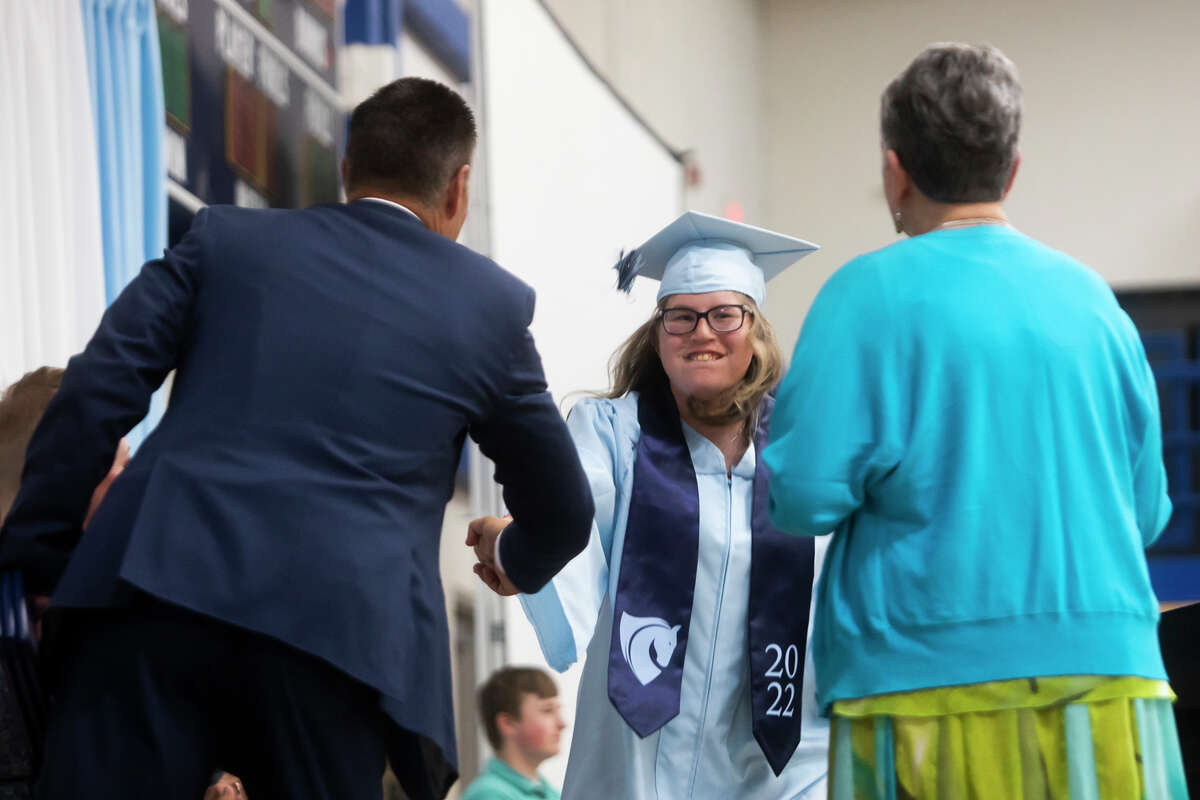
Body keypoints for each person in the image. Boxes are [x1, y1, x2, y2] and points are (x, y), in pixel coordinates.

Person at [0, 77, 594, 800]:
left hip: (154, 591)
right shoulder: (489, 309)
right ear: (460, 186)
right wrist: (512, 554)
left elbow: (97, 388)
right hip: (341, 641)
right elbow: (565, 510)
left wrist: (39, 560)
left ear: (346, 171)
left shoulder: (225, 239)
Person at [764, 43, 1188, 797]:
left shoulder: (863, 297)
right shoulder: (1095, 304)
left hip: (922, 679)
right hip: (1109, 679)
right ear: (1012, 168)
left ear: (895, 171)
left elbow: (800, 495)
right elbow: (1146, 512)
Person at [471, 211, 830, 798]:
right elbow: (572, 521)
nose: (702, 332)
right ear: (658, 334)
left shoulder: (804, 449)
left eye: (725, 314)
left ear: (756, 329)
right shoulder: (615, 434)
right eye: (680, 316)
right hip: (637, 757)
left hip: (777, 763)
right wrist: (517, 547)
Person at [461, 667, 565, 800]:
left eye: (558, 710)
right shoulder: (488, 795)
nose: (562, 723)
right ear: (508, 723)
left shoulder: (552, 794)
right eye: (547, 710)